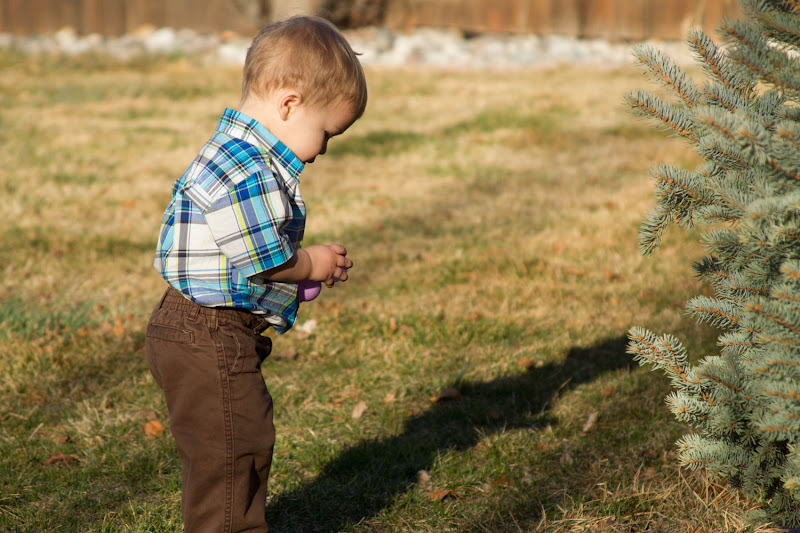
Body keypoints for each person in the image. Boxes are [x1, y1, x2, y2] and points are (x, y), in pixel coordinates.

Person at [145, 16, 367, 533]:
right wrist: (311, 263)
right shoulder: (248, 166)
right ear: (289, 104)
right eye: (326, 133)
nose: (323, 149)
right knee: (233, 450)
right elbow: (263, 256)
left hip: (199, 327)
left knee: (231, 444)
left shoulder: (235, 151)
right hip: (208, 332)